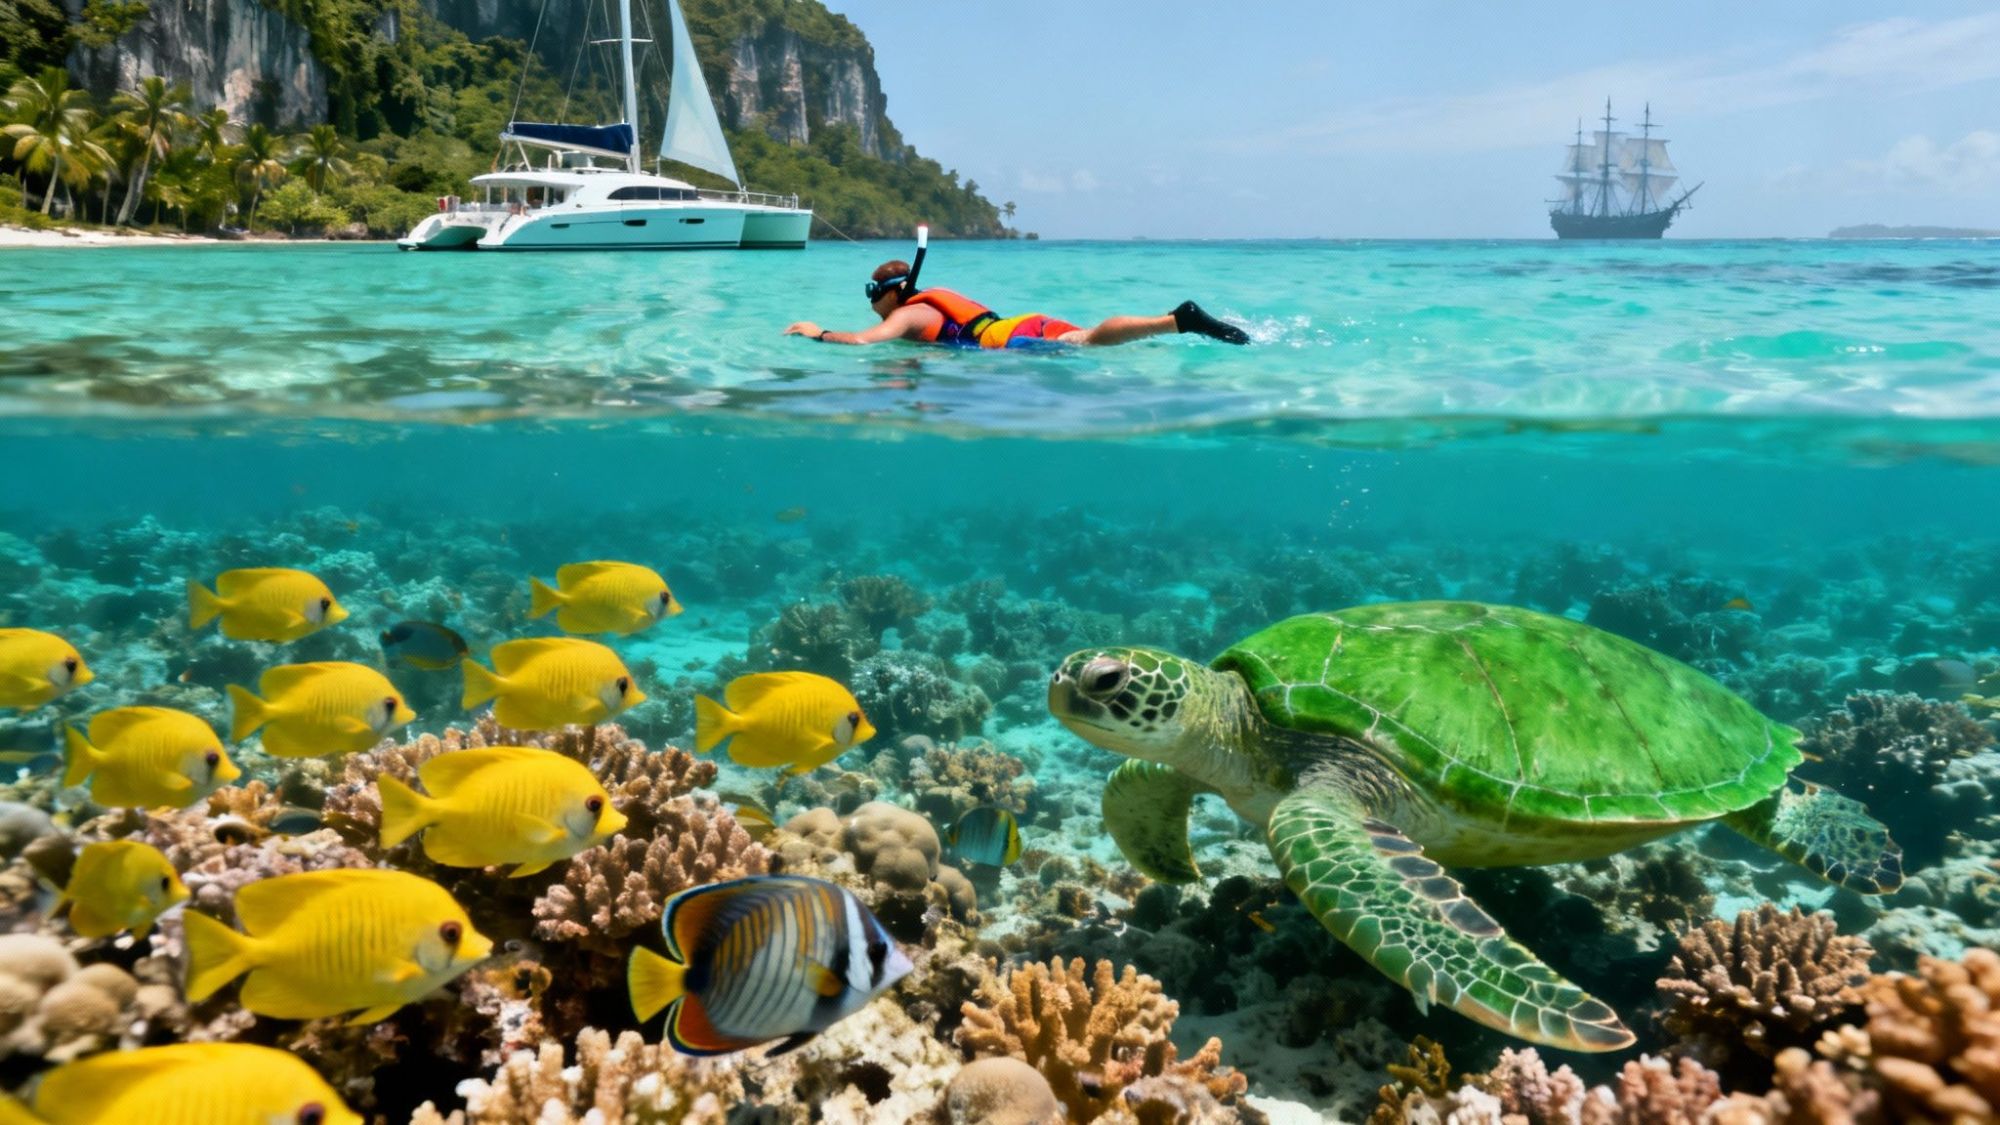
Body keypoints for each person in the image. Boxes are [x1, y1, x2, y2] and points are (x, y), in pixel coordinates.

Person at [784, 260, 1250, 348]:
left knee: (1087, 341)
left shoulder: (909, 312)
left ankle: (1176, 321)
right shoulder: (927, 306)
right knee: (1082, 337)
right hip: (1020, 325)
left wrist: (818, 333)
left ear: (893, 291)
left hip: (1010, 339)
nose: (870, 301)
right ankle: (1169, 326)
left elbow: (865, 342)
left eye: (872, 292)